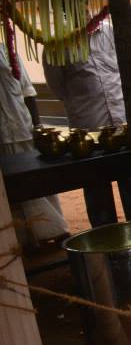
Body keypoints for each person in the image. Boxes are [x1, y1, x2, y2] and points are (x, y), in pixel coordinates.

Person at [43, 17, 131, 226]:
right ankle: (106, 241)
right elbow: (57, 88)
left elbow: (127, 66)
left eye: (83, 7)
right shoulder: (57, 45)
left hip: (121, 122)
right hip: (87, 129)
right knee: (97, 190)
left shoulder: (110, 32)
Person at [0, 44, 69, 246]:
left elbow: (28, 91)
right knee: (12, 191)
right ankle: (27, 240)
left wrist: (38, 126)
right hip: (2, 136)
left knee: (38, 181)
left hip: (22, 127)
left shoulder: (6, 50)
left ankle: (54, 230)